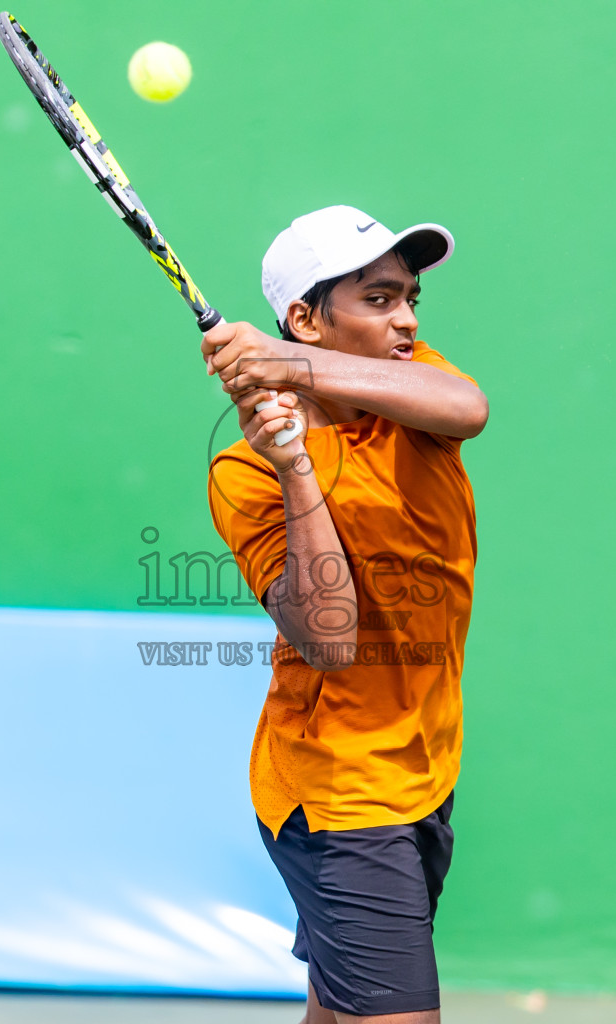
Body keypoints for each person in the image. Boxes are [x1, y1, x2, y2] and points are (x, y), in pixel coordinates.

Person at [202, 205, 488, 1024]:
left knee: (337, 1009)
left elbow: (468, 407)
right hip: (337, 790)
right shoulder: (243, 472)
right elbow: (327, 639)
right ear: (307, 317)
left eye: (410, 299)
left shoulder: (412, 388)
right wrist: (293, 467)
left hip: (424, 765)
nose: (404, 320)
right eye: (378, 300)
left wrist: (289, 366)